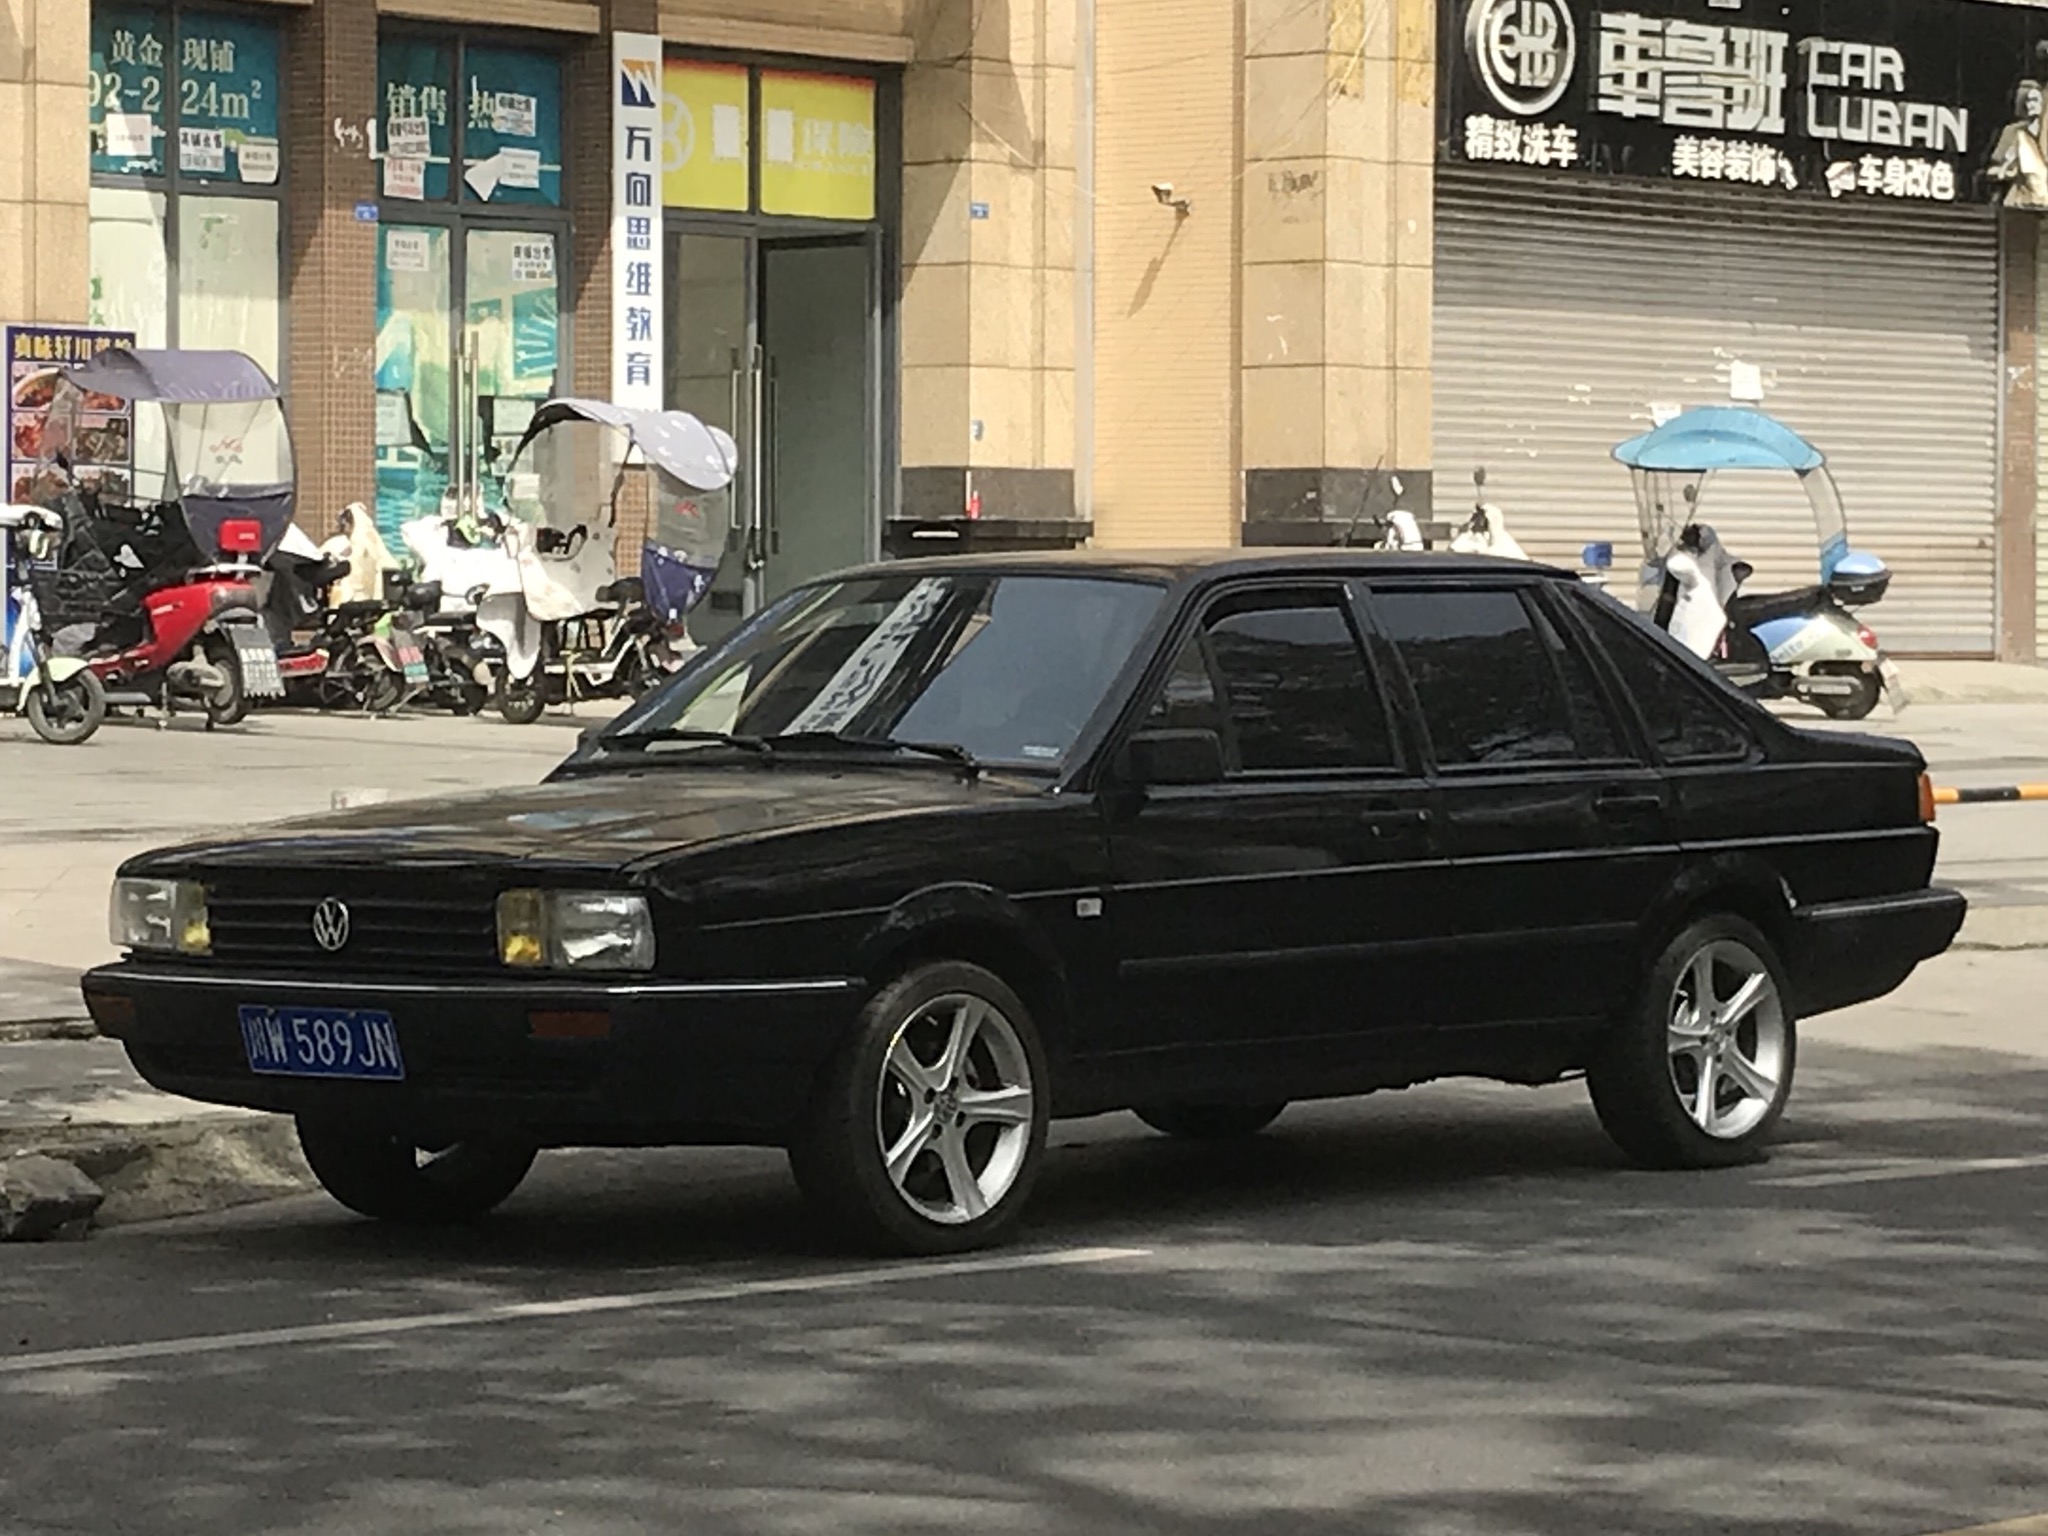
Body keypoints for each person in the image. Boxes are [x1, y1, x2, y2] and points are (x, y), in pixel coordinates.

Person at [1990, 76, 2048, 211]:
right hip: (2019, 205)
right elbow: (1992, 171)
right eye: (2027, 100)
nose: (2031, 105)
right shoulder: (2012, 132)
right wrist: (2007, 169)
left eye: (2035, 100)